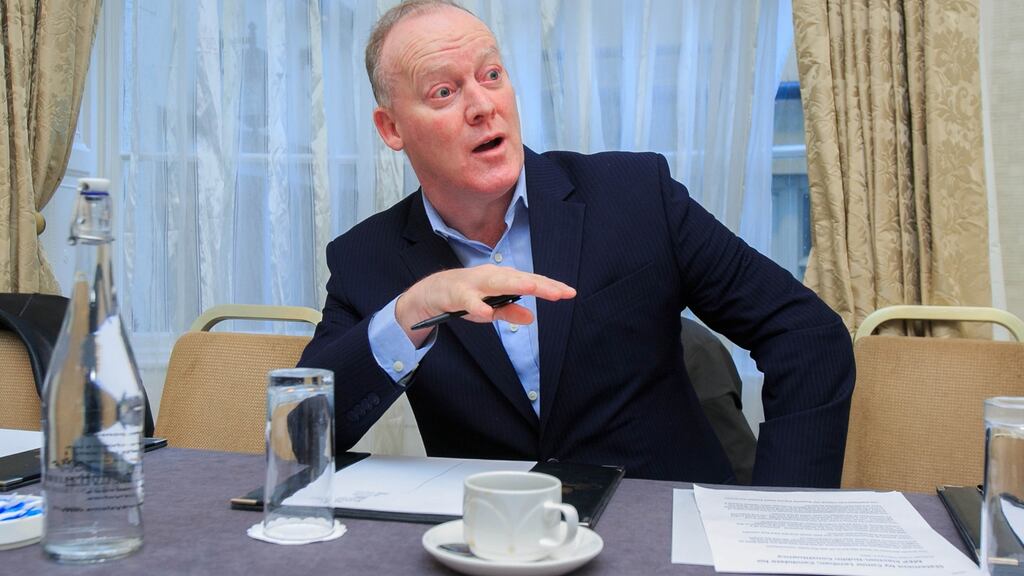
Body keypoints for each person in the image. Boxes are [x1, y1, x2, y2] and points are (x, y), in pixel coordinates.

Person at [298, 0, 854, 487]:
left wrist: (782, 511)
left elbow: (805, 333)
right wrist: (410, 312)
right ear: (391, 129)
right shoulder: (364, 259)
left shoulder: (635, 195)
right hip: (497, 541)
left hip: (662, 527)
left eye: (491, 75)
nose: (483, 105)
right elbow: (302, 434)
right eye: (444, 91)